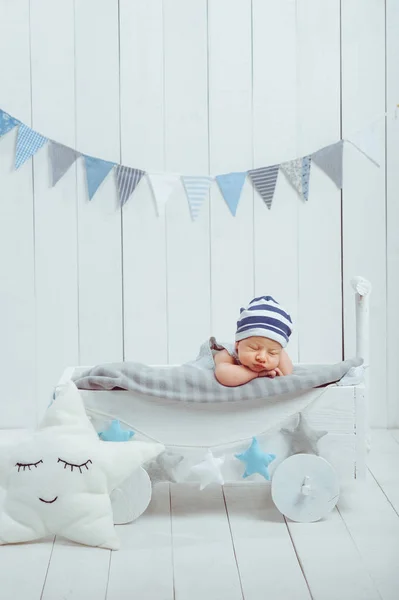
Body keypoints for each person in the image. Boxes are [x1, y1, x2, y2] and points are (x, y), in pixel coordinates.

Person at [214, 295, 294, 387]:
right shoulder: (228, 354)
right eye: (254, 348)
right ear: (237, 344)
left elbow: (287, 374)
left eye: (272, 353)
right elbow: (224, 376)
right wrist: (257, 374)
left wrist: (277, 347)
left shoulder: (275, 352)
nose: (262, 358)